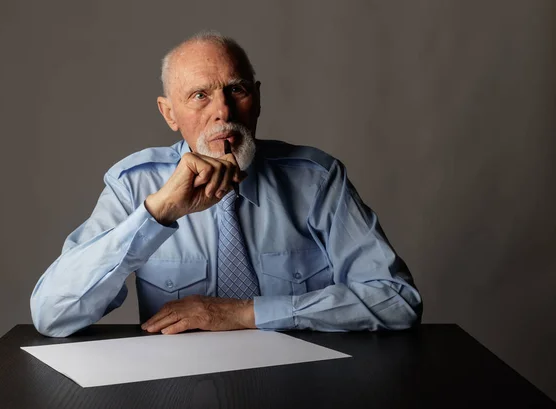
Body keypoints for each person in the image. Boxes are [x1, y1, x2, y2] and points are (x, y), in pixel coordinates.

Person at [30, 31, 423, 337]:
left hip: (300, 385)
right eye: (200, 95)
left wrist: (244, 313)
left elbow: (397, 300)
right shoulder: (136, 184)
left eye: (236, 90)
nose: (223, 111)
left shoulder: (316, 180)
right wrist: (158, 213)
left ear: (257, 98)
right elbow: (53, 314)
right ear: (169, 113)